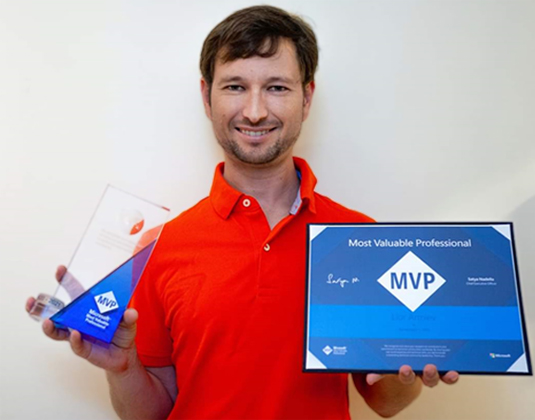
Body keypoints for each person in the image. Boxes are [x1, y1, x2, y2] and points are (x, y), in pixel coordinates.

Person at [26, 5, 458, 419]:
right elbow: (152, 414)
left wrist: (409, 368)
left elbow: (384, 402)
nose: (254, 111)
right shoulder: (159, 247)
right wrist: (122, 368)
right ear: (206, 96)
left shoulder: (362, 239)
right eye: (235, 87)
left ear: (306, 98)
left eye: (277, 87)